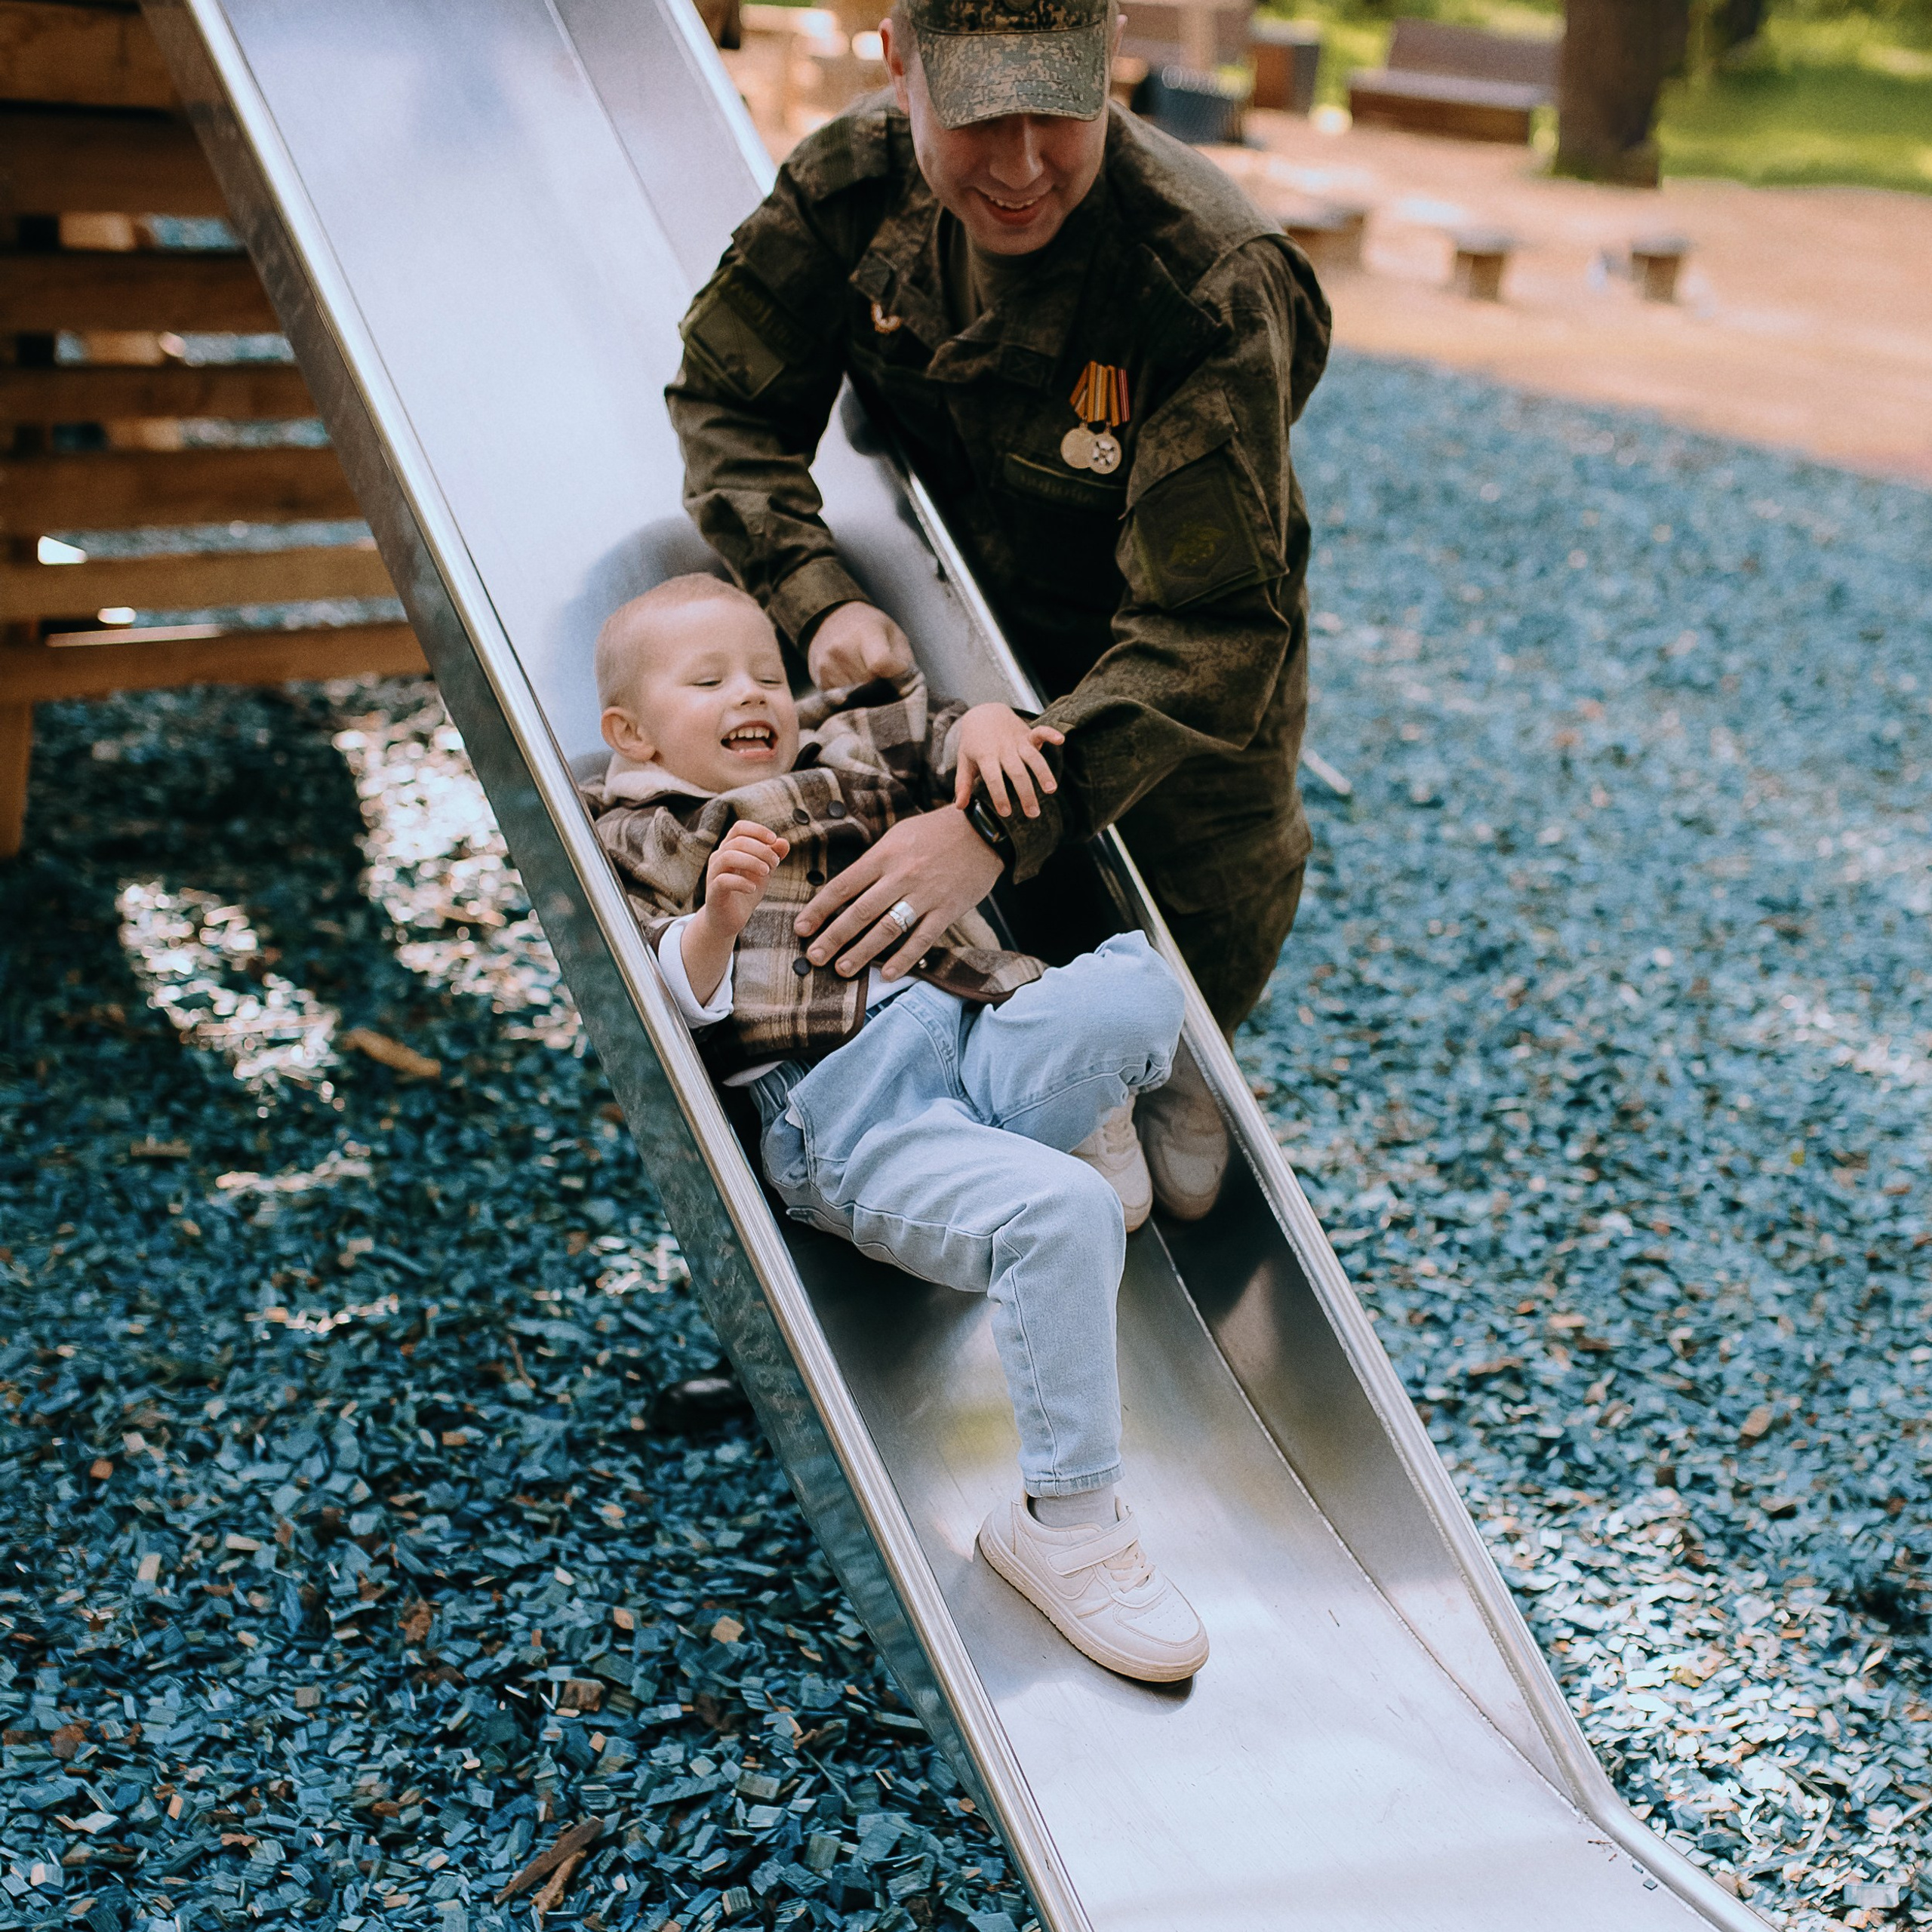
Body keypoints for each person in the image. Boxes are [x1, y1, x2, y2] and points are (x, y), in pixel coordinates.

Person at [669, 0, 1330, 1220]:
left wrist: (996, 824)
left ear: (1113, 54)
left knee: (1158, 1103)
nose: (1022, 167)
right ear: (899, 64)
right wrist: (814, 603)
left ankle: (1147, 1087)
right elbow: (730, 401)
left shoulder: (1201, 282)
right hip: (959, 674)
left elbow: (1209, 631)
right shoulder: (851, 186)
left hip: (1166, 747)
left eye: (1059, 109)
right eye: (979, 114)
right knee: (930, 1070)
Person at [582, 574, 1208, 1682]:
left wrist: (969, 714)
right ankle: (1067, 1529)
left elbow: (926, 734)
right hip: (845, 1109)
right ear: (630, 732)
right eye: (712, 680)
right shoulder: (645, 831)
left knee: (1134, 985)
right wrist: (719, 918)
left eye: (767, 674)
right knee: (1062, 1215)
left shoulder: (839, 756)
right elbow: (665, 1007)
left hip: (974, 1033)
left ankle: (1075, 1114)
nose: (754, 695)